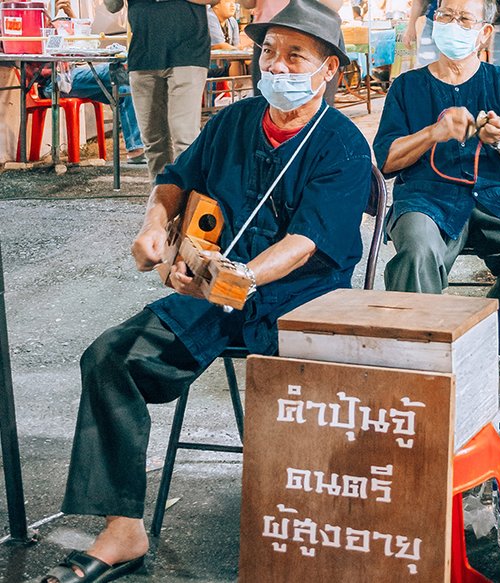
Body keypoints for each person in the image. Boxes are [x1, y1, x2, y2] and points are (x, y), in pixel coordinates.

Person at [37, 1, 372, 581]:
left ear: (329, 70)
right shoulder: (235, 122)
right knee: (111, 357)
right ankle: (124, 529)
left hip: (302, 301)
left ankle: (313, 525)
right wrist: (151, 227)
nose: (278, 65)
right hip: (212, 295)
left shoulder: (342, 144)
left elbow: (307, 240)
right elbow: (175, 179)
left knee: (319, 401)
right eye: (270, 51)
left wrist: (242, 277)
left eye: (297, 54)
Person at [373, 0, 500, 354]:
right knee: (416, 252)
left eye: (463, 19)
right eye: (445, 16)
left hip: (495, 201)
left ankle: (478, 350)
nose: (452, 25)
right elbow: (386, 161)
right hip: (425, 200)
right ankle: (424, 359)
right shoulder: (408, 87)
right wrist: (432, 133)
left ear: (484, 33)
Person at [103, 0, 213, 180]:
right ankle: (161, 199)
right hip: (143, 54)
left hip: (188, 52)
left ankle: (189, 200)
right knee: (153, 141)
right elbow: (112, 6)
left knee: (185, 137)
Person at [41, 0, 146, 164]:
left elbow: (80, 45)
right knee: (118, 69)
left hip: (72, 72)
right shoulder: (35, 13)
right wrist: (53, 19)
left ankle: (136, 148)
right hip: (55, 79)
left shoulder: (59, 14)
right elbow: (45, 47)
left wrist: (70, 17)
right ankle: (136, 147)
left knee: (124, 86)